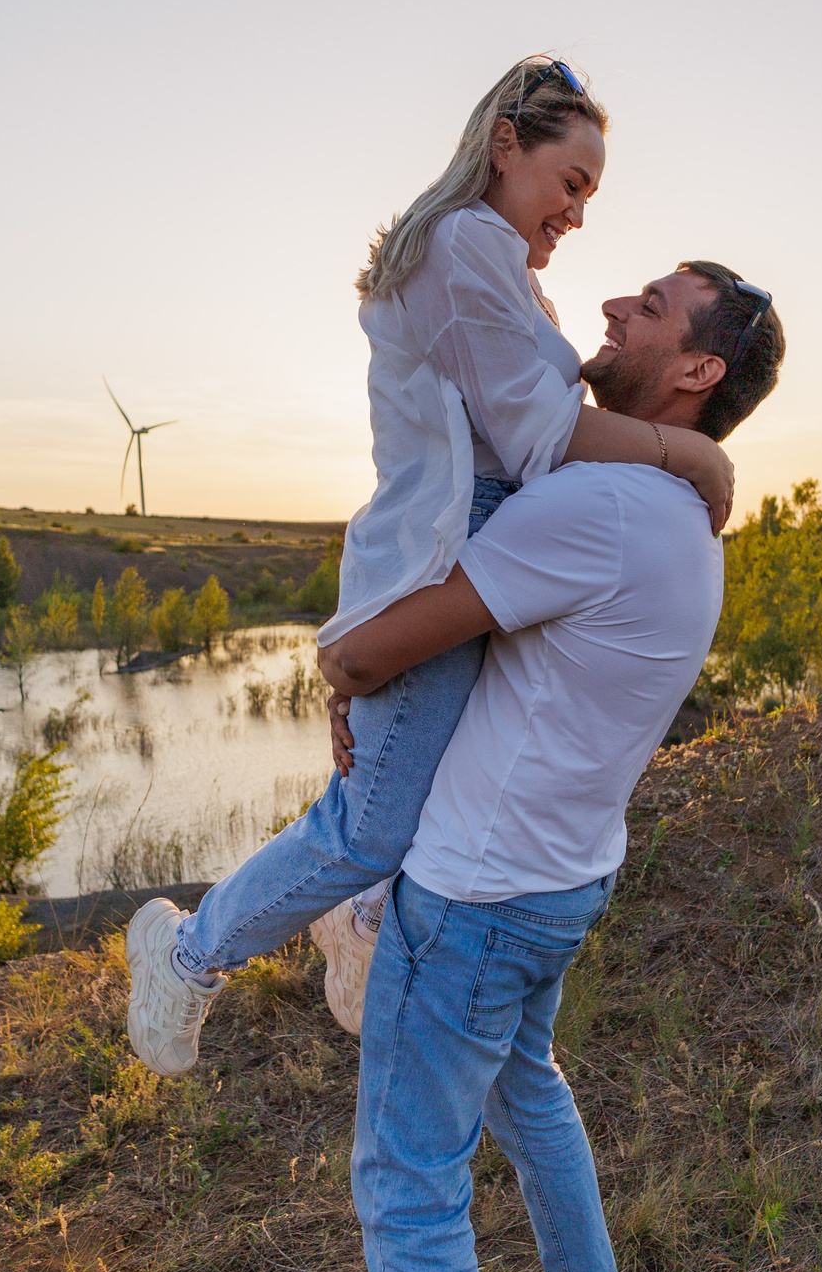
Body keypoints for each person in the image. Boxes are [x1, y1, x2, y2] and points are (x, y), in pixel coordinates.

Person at [123, 56, 737, 1076]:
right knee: (372, 827)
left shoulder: (508, 271)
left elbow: (546, 421)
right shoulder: (463, 247)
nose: (578, 213)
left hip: (486, 547)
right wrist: (691, 452)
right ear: (506, 144)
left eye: (590, 193)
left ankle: (356, 928)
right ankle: (186, 957)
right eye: (571, 183)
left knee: (439, 784)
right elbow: (541, 437)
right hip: (448, 548)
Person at [317, 261, 786, 1272]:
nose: (616, 307)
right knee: (529, 1086)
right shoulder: (670, 510)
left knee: (408, 1197)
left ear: (694, 371)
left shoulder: (601, 508)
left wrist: (340, 671)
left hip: (476, 894)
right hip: (563, 878)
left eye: (650, 306)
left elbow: (392, 637)